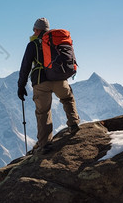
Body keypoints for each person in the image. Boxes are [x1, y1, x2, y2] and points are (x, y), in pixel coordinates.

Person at [17, 18, 80, 152]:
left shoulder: (32, 45)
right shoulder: (56, 42)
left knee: (43, 112)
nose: (33, 31)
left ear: (38, 30)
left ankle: (45, 144)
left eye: (34, 29)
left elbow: (25, 67)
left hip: (41, 82)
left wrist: (21, 86)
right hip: (59, 79)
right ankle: (74, 123)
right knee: (67, 98)